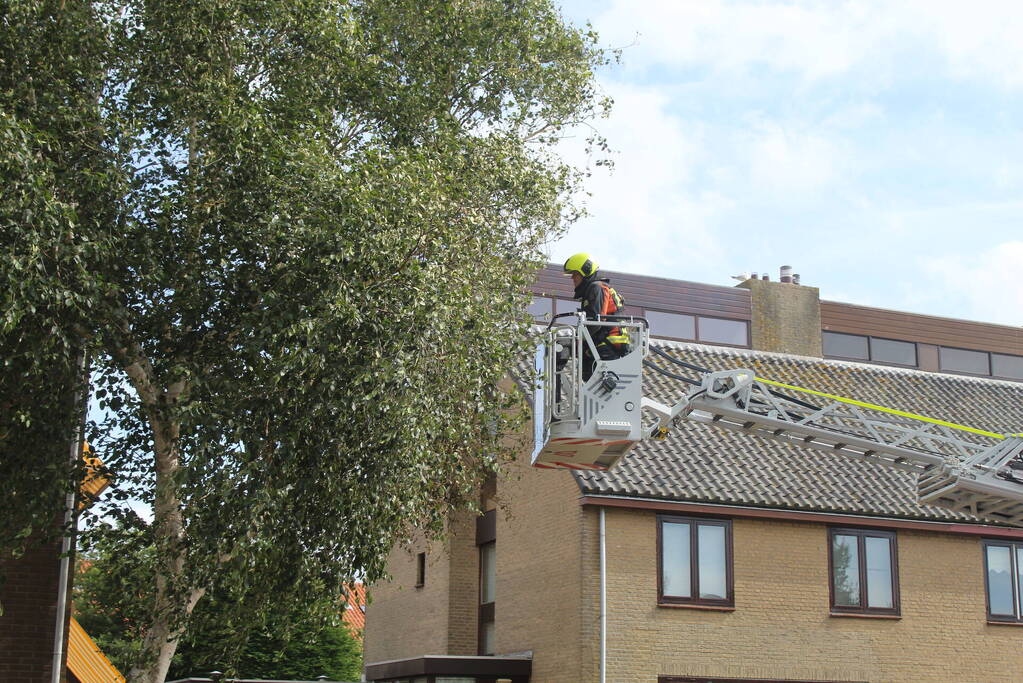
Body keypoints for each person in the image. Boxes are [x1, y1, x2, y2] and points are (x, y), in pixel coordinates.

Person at [562, 253, 630, 379]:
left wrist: (578, 340)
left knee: (562, 346)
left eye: (575, 274)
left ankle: (555, 390)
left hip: (607, 346)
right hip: (601, 345)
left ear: (586, 271)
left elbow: (596, 320)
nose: (573, 278)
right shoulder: (592, 290)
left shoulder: (597, 288)